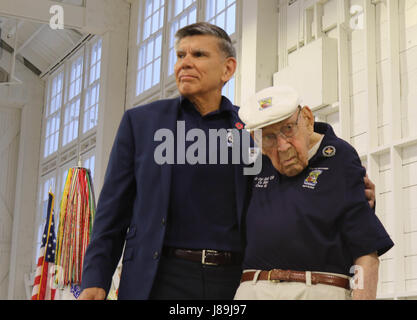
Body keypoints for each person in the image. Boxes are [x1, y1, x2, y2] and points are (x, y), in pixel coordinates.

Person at [78, 23, 376, 300]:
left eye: (198, 54)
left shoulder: (252, 131)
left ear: (227, 68)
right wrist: (95, 278)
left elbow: (290, 177)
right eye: (180, 55)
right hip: (158, 276)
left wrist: (348, 189)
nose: (185, 62)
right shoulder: (140, 124)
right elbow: (112, 210)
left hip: (231, 280)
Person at [234, 85, 394, 300]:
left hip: (316, 289)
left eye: (288, 129)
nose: (282, 146)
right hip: (253, 289)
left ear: (308, 119)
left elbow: (366, 250)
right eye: (269, 137)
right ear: (256, 139)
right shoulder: (253, 163)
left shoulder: (340, 157)